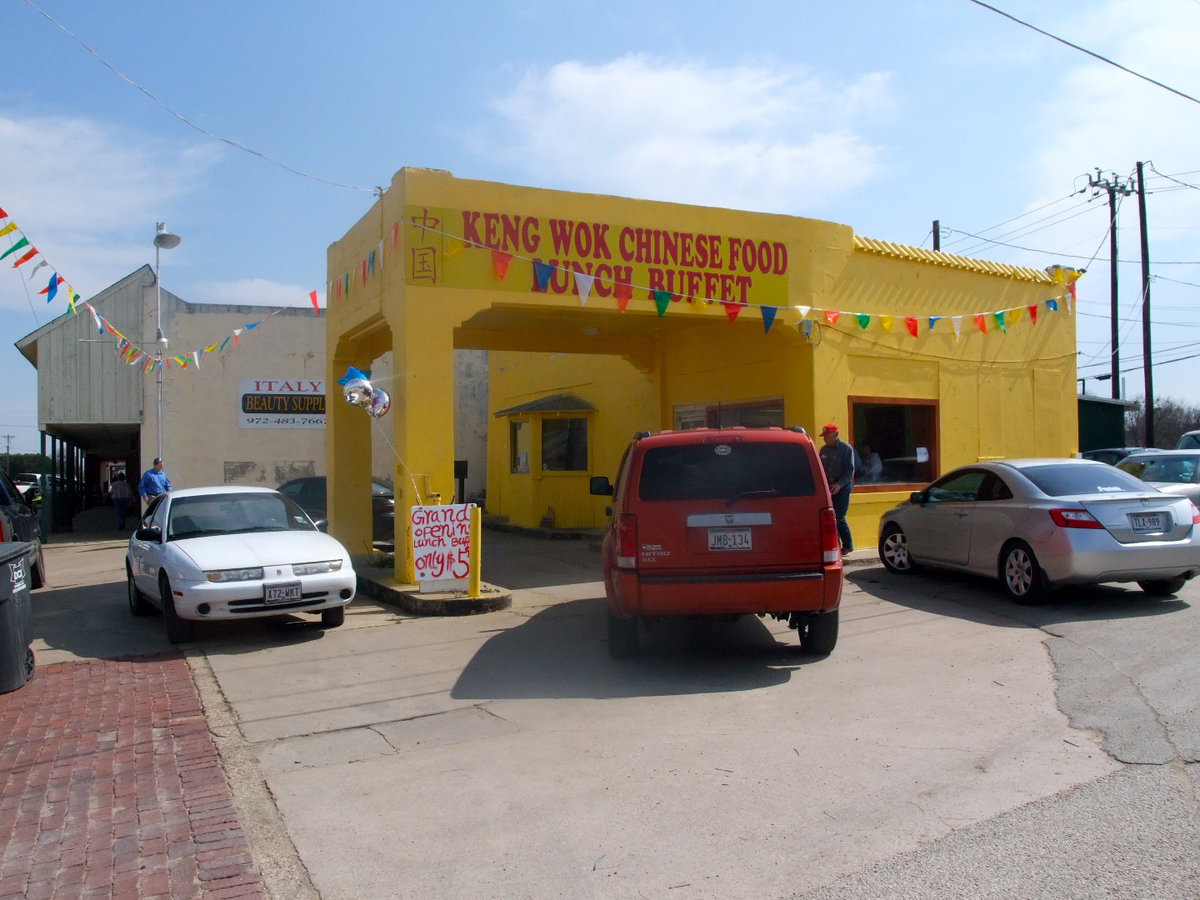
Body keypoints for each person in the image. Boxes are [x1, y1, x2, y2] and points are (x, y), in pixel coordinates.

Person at [818, 424, 856, 553]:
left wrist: (840, 484)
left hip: (842, 487)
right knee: (830, 517)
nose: (824, 439)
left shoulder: (846, 449)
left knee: (839, 516)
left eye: (826, 436)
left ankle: (848, 544)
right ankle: (836, 544)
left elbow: (850, 470)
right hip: (829, 486)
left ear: (834, 435)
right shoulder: (824, 450)